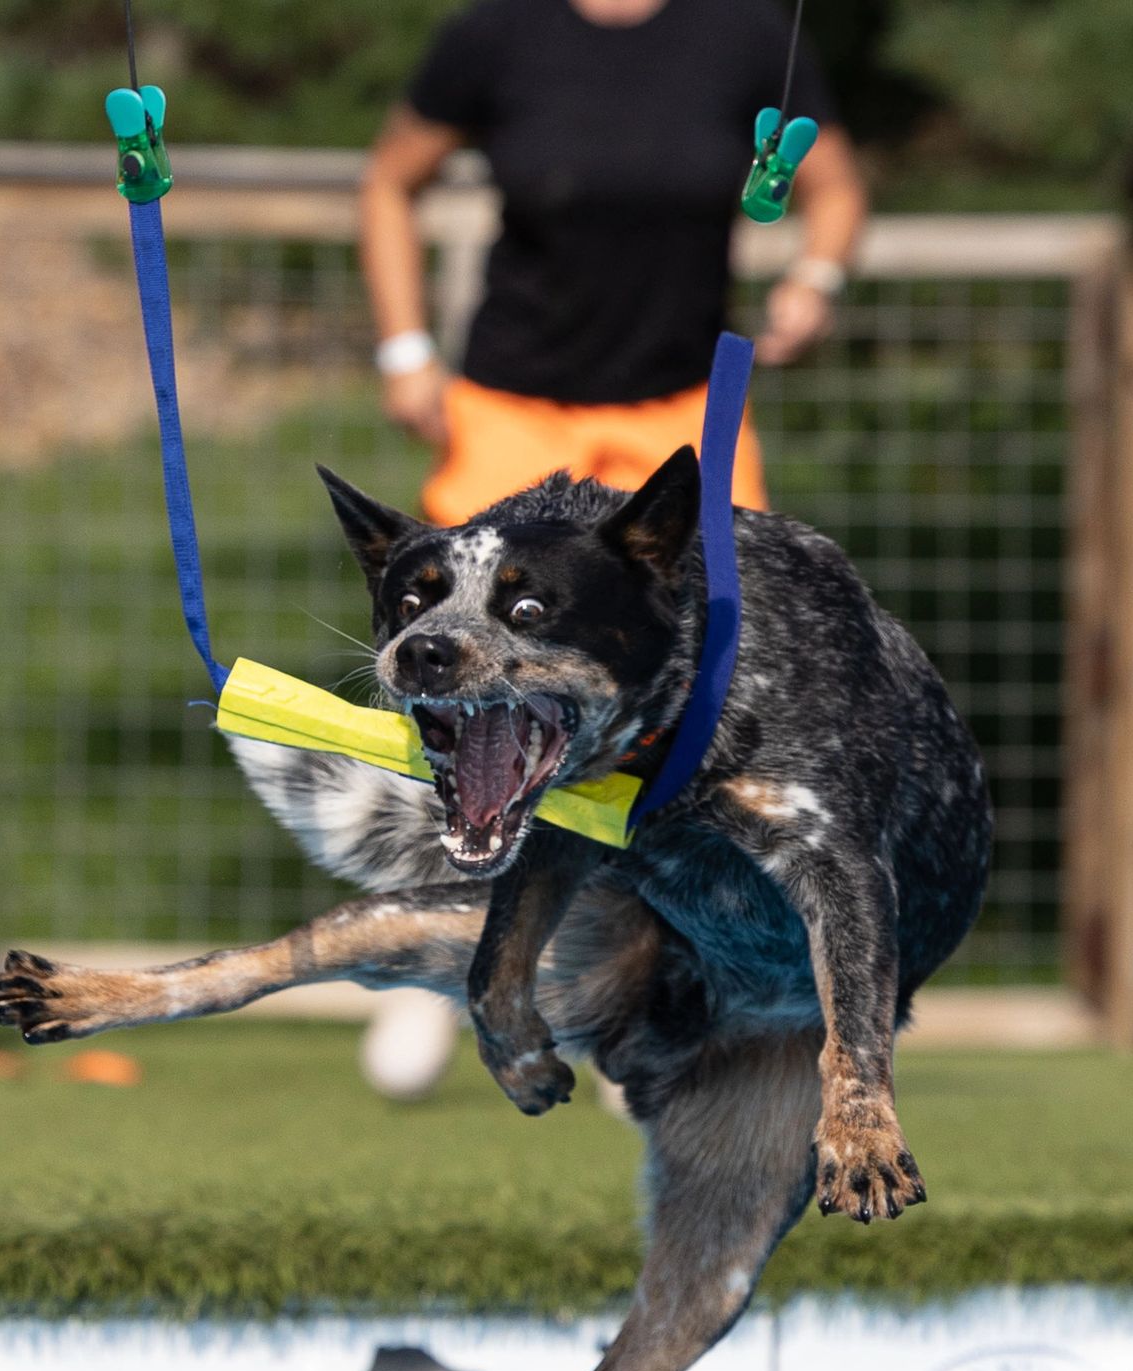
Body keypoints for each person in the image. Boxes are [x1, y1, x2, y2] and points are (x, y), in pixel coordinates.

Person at [352, 0, 868, 1100]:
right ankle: (434, 963)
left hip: (679, 415)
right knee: (460, 682)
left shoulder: (740, 37)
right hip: (513, 409)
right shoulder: (497, 35)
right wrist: (404, 351)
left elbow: (832, 184)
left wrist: (815, 279)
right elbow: (390, 178)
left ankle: (679, 986)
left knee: (728, 697)